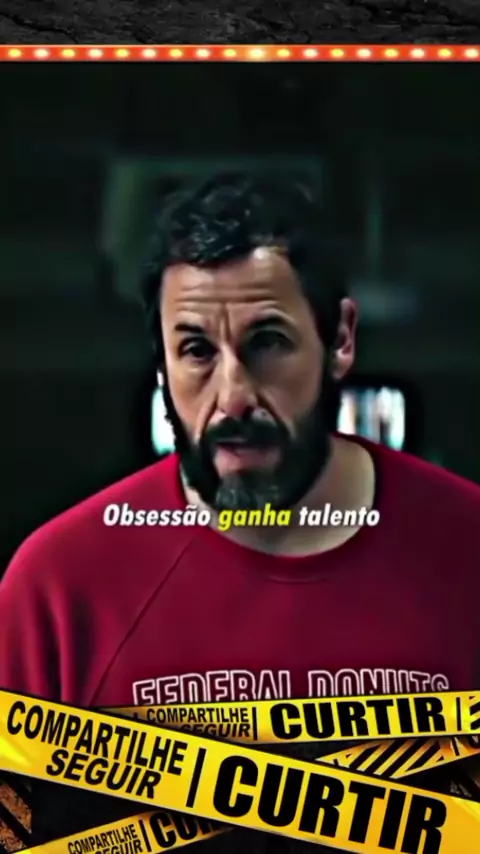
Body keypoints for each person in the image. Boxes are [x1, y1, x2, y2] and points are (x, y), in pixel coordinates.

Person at [2, 170, 480, 851]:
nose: (232, 399)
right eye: (197, 350)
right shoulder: (57, 587)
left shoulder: (468, 549)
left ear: (341, 339)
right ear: (162, 363)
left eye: (267, 343)